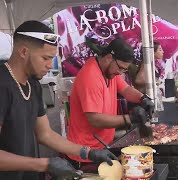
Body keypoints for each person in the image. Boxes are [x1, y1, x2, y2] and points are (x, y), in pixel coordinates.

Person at [0, 20, 118, 180]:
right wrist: (45, 164)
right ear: (23, 52)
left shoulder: (33, 83)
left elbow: (45, 134)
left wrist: (88, 152)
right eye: (45, 58)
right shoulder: (3, 85)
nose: (50, 65)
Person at [67, 38, 154, 167]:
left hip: (102, 146)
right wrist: (129, 118)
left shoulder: (109, 70)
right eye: (120, 68)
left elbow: (125, 89)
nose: (120, 73)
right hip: (85, 153)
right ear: (109, 57)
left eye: (124, 70)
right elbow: (95, 119)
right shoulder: (90, 77)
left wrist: (143, 98)